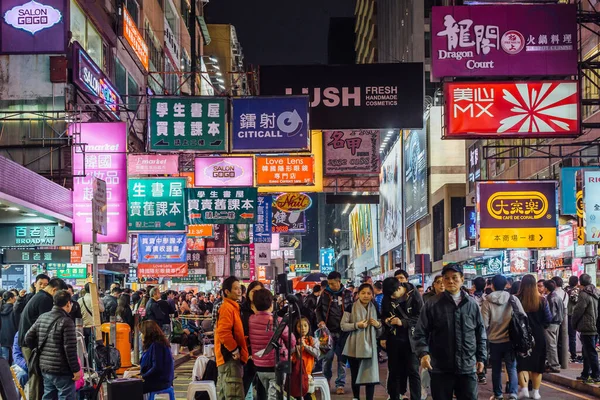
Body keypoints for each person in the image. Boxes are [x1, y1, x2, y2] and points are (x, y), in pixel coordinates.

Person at [413, 264, 487, 400]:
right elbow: (420, 332)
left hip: (467, 366)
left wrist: (481, 357)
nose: (450, 281)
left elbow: (480, 333)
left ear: (462, 279)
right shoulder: (432, 304)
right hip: (440, 367)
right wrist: (423, 353)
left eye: (454, 277)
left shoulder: (472, 304)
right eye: (446, 278)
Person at [25, 290, 81, 400]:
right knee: (66, 396)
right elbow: (69, 349)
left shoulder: (43, 317)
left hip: (45, 367)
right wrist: (76, 370)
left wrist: (41, 349)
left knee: (48, 395)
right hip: (62, 369)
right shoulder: (67, 321)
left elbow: (28, 338)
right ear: (68, 303)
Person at [19, 277, 67, 400]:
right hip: (31, 346)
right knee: (36, 378)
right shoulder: (45, 300)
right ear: (54, 290)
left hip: (29, 343)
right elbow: (45, 326)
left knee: (39, 377)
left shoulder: (40, 296)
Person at [481, 275, 525, 400]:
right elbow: (522, 316)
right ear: (506, 284)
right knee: (511, 367)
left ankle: (498, 394)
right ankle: (513, 394)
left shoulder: (487, 302)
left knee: (496, 369)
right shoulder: (513, 299)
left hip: (494, 341)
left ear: (492, 286)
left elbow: (484, 324)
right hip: (511, 340)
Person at [381, 277, 422, 400]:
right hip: (393, 339)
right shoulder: (387, 296)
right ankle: (394, 396)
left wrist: (403, 322)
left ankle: (416, 397)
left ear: (399, 288)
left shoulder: (414, 294)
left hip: (411, 339)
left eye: (394, 295)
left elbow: (420, 317)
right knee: (394, 371)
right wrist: (386, 321)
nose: (392, 298)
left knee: (413, 371)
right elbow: (383, 315)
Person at [249, 288, 294, 400]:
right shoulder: (277, 321)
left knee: (270, 394)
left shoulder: (251, 319)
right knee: (275, 396)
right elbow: (291, 340)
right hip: (276, 365)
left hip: (259, 366)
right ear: (271, 304)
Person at [341, 284, 382, 400]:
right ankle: (356, 397)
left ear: (372, 295)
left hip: (371, 346)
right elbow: (343, 326)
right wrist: (356, 325)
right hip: (354, 345)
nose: (366, 296)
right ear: (358, 294)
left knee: (370, 375)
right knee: (355, 374)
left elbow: (381, 328)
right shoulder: (350, 307)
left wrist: (378, 325)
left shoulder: (375, 308)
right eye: (363, 293)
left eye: (369, 293)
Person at [315, 271, 353, 394]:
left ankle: (340, 384)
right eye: (329, 283)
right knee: (327, 358)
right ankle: (325, 382)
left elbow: (352, 310)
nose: (330, 286)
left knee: (342, 359)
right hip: (327, 332)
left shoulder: (347, 294)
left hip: (343, 332)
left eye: (332, 283)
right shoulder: (325, 294)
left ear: (339, 281)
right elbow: (318, 310)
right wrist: (320, 321)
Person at [516, 274, 552, 399]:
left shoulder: (516, 299)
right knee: (538, 365)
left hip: (521, 336)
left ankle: (524, 389)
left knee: (522, 363)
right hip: (538, 335)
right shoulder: (542, 300)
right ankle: (536, 392)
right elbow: (548, 319)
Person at [215, 276, 248, 400]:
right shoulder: (227, 308)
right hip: (229, 360)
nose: (239, 291)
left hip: (229, 360)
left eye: (239, 288)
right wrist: (234, 350)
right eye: (235, 289)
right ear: (226, 292)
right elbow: (223, 332)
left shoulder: (233, 307)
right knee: (234, 395)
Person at [571, 273, 600, 384]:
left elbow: (578, 311)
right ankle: (585, 373)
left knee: (590, 351)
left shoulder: (584, 294)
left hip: (587, 327)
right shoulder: (596, 292)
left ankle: (596, 374)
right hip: (596, 326)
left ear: (580, 282)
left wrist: (574, 324)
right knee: (587, 351)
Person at [240, 281, 266, 398]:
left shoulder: (266, 310)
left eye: (259, 291)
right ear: (248, 292)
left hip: (263, 354)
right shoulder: (241, 309)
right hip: (247, 355)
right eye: (253, 291)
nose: (256, 294)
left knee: (263, 389)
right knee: (243, 387)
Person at [138, 320, 174, 394]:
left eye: (141, 333)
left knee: (128, 387)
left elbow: (157, 367)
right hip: (159, 380)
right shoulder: (156, 344)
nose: (140, 336)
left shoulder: (157, 345)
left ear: (147, 333)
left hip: (159, 382)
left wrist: (142, 377)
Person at [292, 317, 320, 400]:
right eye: (300, 326)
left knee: (307, 394)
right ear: (295, 328)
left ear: (309, 327)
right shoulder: (293, 340)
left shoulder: (313, 340)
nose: (303, 328)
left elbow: (317, 354)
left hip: (307, 373)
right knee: (295, 394)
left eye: (305, 326)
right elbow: (287, 352)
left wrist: (306, 346)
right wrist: (297, 347)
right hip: (295, 372)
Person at [543, 280, 564, 373]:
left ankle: (554, 365)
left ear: (546, 288)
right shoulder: (557, 297)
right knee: (552, 344)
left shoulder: (550, 298)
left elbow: (550, 313)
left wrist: (546, 323)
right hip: (557, 323)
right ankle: (551, 363)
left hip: (551, 324)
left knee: (551, 345)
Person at [78, 283, 105, 348]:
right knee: (95, 347)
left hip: (83, 327)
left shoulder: (80, 300)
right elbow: (102, 309)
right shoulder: (96, 300)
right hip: (94, 327)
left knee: (85, 346)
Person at [565, 275, 580, 362]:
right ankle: (573, 354)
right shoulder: (574, 291)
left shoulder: (565, 289)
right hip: (572, 314)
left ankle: (564, 353)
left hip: (565, 314)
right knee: (572, 336)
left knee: (564, 335)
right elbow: (576, 300)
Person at [0, 291, 19, 361]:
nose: (15, 298)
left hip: (2, 336)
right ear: (11, 298)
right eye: (14, 297)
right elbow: (17, 323)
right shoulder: (15, 309)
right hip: (13, 336)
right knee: (15, 357)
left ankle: (4, 371)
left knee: (4, 358)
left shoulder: (1, 309)